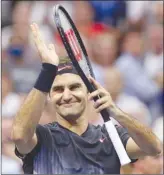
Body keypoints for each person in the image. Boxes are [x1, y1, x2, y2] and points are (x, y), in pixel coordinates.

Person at [11, 23, 162, 174]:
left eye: (74, 87)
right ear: (49, 96)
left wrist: (116, 112)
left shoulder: (111, 137)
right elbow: (19, 136)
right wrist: (48, 70)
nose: (67, 95)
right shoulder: (43, 137)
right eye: (58, 89)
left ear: (89, 92)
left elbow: (154, 148)